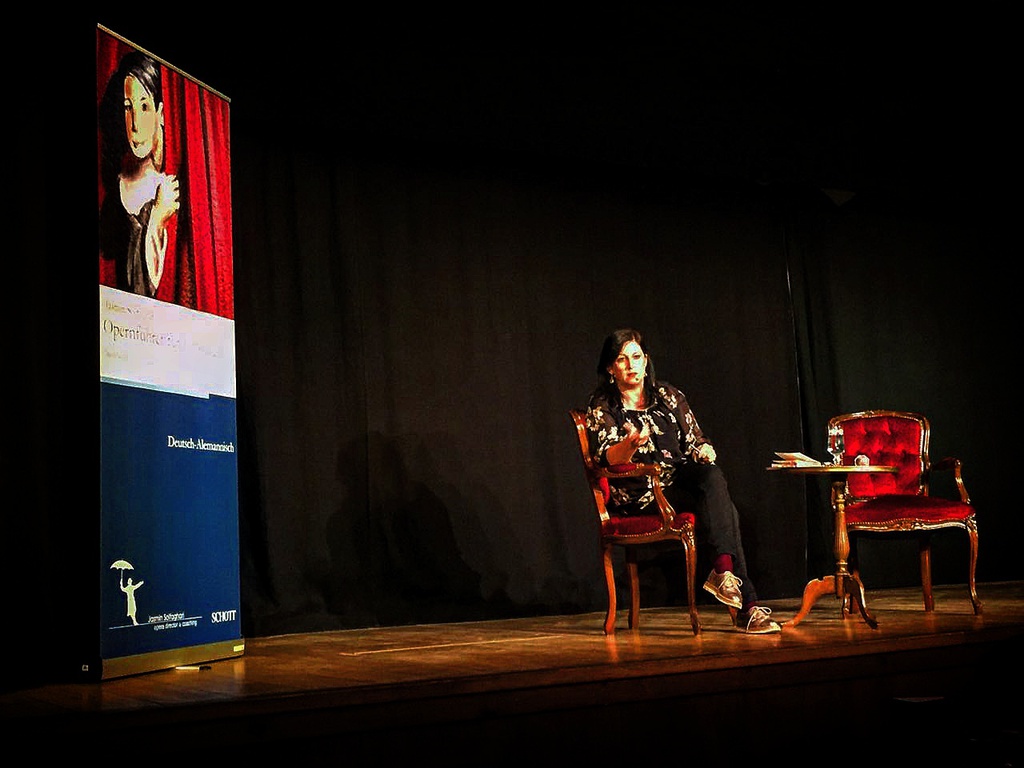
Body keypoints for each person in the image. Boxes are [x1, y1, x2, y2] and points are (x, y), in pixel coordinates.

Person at [583, 328, 780, 634]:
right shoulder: (603, 405)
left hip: (677, 484)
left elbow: (695, 440)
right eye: (622, 359)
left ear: (646, 360)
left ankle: (728, 579)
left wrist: (704, 450)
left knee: (712, 477)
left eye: (636, 357)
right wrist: (630, 444)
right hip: (640, 495)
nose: (631, 365)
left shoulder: (668, 395)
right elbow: (607, 459)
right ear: (611, 368)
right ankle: (745, 604)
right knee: (726, 511)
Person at [99, 50, 180, 297]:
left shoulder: (168, 191)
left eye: (144, 107)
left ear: (160, 114)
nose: (134, 124)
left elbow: (152, 287)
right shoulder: (116, 189)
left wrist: (157, 219)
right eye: (128, 107)